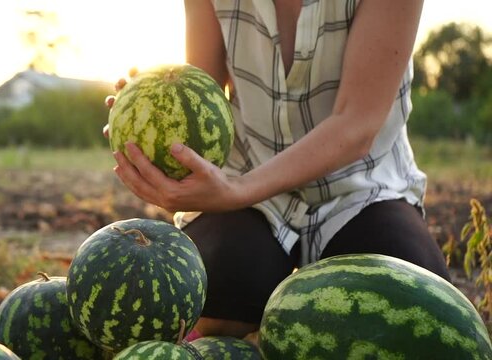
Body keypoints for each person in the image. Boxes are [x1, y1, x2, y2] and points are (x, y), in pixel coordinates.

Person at [106, 0, 450, 341]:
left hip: (361, 185)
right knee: (212, 298)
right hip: (247, 178)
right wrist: (152, 107)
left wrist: (238, 189)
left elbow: (356, 123)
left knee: (418, 321)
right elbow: (201, 91)